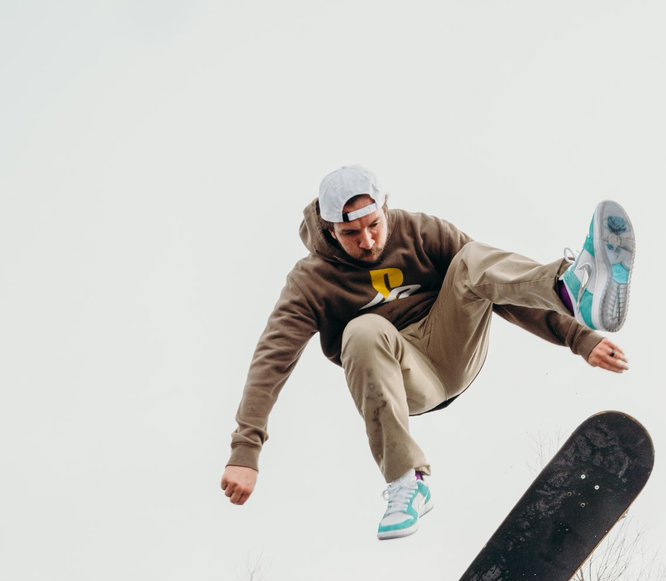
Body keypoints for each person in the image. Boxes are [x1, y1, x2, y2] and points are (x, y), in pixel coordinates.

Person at [221, 165, 635, 539]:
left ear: (386, 208)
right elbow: (272, 357)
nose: (367, 241)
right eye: (351, 234)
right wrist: (246, 450)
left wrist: (579, 339)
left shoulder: (423, 232)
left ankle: (569, 288)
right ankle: (405, 481)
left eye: (373, 226)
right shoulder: (310, 281)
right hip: (402, 377)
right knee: (362, 330)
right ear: (330, 231)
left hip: (452, 345)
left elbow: (497, 286)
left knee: (471, 257)